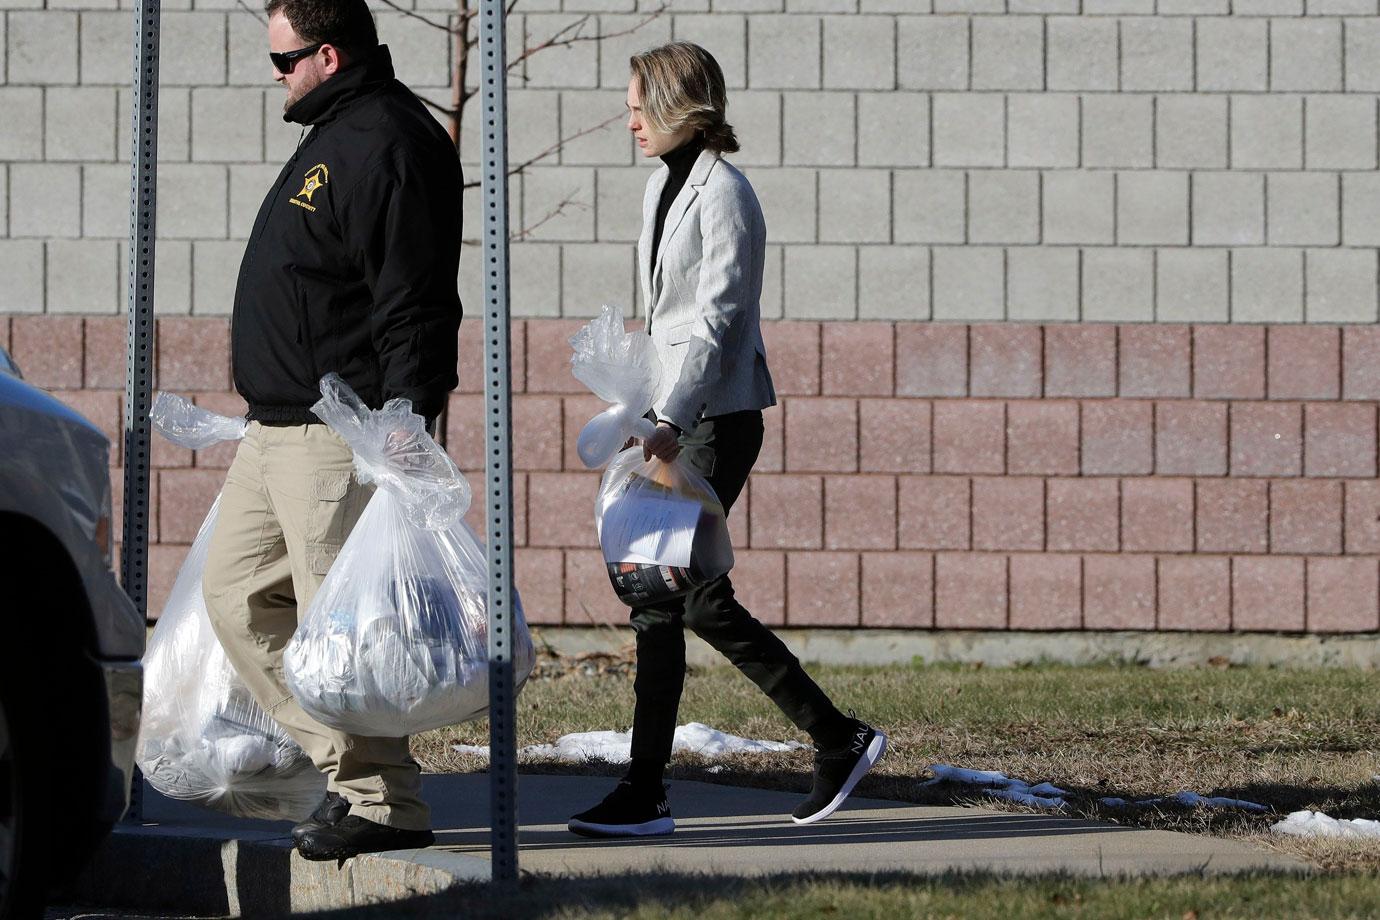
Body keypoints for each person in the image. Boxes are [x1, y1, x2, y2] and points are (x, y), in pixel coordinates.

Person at [567, 42, 887, 839]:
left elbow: (716, 321)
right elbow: (665, 317)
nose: (630, 117)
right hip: (667, 417)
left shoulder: (727, 196)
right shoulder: (659, 186)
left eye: (641, 102)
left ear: (681, 104)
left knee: (693, 591)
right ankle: (645, 793)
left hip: (711, 419)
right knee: (653, 596)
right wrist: (639, 405)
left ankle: (837, 737)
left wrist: (672, 419)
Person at [200, 0, 462, 862]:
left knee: (340, 630)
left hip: (337, 435)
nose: (274, 75)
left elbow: (411, 296)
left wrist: (404, 421)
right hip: (273, 432)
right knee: (235, 599)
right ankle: (337, 765)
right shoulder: (335, 132)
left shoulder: (385, 140)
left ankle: (382, 800)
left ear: (329, 53)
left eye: (283, 61)